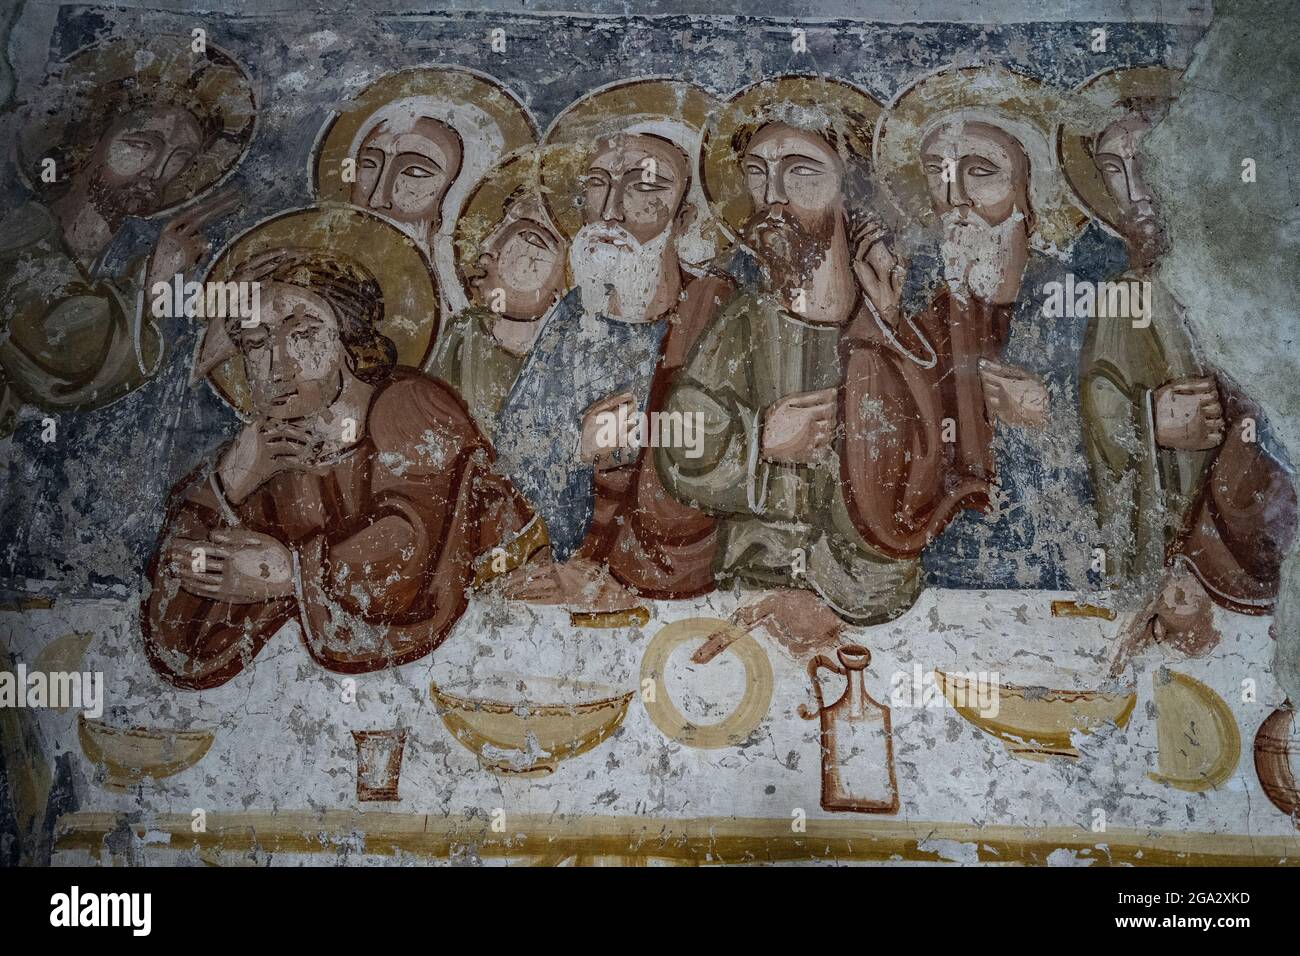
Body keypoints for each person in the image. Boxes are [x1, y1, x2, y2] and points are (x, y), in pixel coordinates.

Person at [144, 239, 534, 689]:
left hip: (482, 671)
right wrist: (231, 481)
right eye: (254, 343)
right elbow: (174, 633)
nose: (277, 364)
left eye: (303, 334)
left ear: (349, 340)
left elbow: (408, 548)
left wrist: (290, 574)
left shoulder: (408, 406)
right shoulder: (265, 448)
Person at [1058, 68, 1297, 670]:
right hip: (1178, 543)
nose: (1133, 188)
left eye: (1147, 162)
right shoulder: (1120, 296)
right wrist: (1150, 420)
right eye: (1113, 169)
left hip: (1250, 533)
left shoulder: (1254, 277)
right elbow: (1097, 403)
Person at [494, 81, 733, 612]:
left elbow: (740, 462)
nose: (613, 209)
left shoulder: (715, 311)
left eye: (646, 186)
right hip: (571, 573)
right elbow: (512, 452)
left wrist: (616, 571)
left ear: (688, 213)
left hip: (679, 592)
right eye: (598, 183)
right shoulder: (572, 317)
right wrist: (578, 449)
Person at [0, 35, 255, 436]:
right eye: (140, 145)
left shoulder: (109, 258)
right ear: (88, 144)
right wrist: (152, 283)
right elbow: (63, 354)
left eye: (178, 159)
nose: (155, 173)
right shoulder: (19, 237)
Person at [429, 150, 567, 439]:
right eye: (498, 227)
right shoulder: (463, 336)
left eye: (530, 239)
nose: (487, 248)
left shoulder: (577, 357)